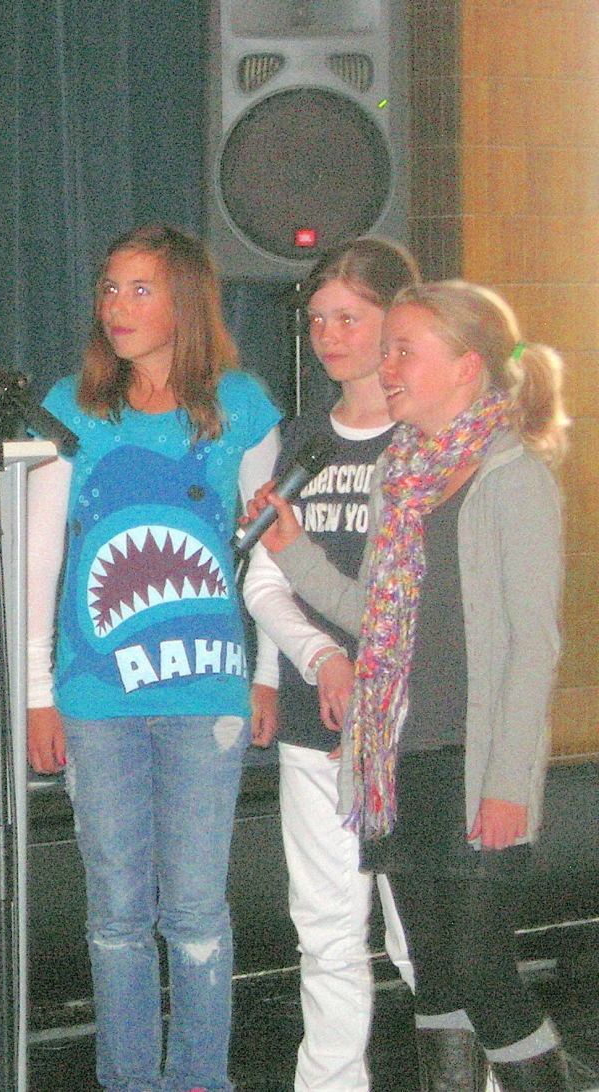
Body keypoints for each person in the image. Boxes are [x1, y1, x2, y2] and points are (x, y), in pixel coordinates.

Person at [245, 281, 571, 1091]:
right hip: (401, 760)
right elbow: (379, 616)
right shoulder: (403, 472)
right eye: (385, 349)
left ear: (466, 366)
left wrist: (507, 784)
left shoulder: (514, 478)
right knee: (438, 976)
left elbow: (532, 648)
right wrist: (294, 551)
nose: (386, 367)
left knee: (484, 972)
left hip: (475, 763)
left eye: (404, 351)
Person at [26, 223, 281, 1092]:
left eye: (141, 288)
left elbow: (269, 554)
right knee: (116, 913)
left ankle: (201, 1079)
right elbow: (41, 559)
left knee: (198, 909)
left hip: (207, 693)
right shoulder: (72, 407)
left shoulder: (239, 405)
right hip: (96, 696)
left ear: (187, 300)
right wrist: (36, 690)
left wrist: (267, 673)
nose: (118, 305)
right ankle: (129, 1079)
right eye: (109, 287)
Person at [242, 237, 419, 1090]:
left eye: (349, 317)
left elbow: (431, 601)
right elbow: (264, 578)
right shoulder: (305, 439)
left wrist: (368, 674)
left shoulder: (423, 439)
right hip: (315, 729)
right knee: (325, 933)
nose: (329, 336)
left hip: (410, 733)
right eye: (318, 320)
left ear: (397, 320)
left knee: (424, 935)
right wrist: (318, 660)